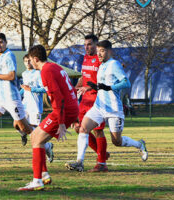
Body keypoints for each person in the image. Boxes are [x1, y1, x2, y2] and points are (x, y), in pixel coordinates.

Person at [65, 40, 148, 173]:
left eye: (102, 51)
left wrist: (110, 87)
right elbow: (102, 85)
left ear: (110, 51)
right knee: (83, 128)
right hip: (99, 106)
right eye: (98, 52)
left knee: (117, 141)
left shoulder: (114, 64)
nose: (99, 54)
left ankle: (139, 144)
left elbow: (126, 83)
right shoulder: (101, 66)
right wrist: (95, 87)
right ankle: (80, 162)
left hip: (114, 108)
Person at [18, 45, 79, 191]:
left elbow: (57, 97)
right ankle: (43, 175)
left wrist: (62, 122)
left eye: (30, 59)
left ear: (35, 59)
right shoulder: (54, 67)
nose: (30, 62)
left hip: (64, 110)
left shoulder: (46, 71)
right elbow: (68, 90)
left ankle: (37, 181)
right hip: (69, 108)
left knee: (37, 139)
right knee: (35, 137)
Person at [0, 33, 33, 164]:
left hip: (11, 97)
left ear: (6, 43)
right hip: (0, 97)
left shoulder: (9, 55)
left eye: (1, 42)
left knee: (24, 128)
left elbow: (11, 76)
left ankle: (47, 146)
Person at [67, 34, 109, 172]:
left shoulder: (101, 60)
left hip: (97, 100)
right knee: (78, 128)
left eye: (89, 44)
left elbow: (103, 81)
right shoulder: (85, 58)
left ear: (96, 45)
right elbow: (84, 77)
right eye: (85, 45)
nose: (86, 47)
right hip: (85, 100)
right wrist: (75, 88)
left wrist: (89, 87)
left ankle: (101, 163)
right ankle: (101, 153)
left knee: (98, 132)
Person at [20, 54, 54, 163]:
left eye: (29, 61)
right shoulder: (24, 74)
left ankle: (47, 147)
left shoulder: (38, 73)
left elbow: (44, 89)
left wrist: (32, 89)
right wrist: (16, 93)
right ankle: (23, 135)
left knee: (35, 131)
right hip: (24, 104)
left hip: (35, 106)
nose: (28, 63)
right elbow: (24, 89)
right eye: (25, 61)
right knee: (18, 122)